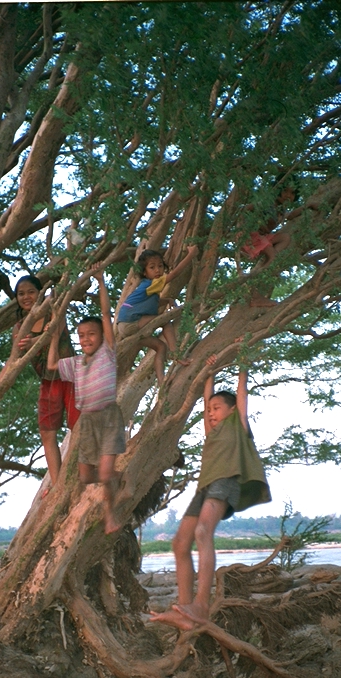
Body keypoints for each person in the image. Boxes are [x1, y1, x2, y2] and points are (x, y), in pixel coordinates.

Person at [151, 355, 271, 630]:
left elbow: (242, 390)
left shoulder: (238, 425)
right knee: (180, 543)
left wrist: (242, 357)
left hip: (225, 482)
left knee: (203, 532)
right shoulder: (211, 431)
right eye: (209, 410)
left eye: (217, 408)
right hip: (204, 488)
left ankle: (202, 605)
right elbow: (207, 394)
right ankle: (185, 609)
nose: (211, 413)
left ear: (231, 410)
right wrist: (209, 371)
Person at [47, 266, 126, 534]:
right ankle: (117, 478)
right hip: (87, 421)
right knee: (85, 476)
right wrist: (54, 332)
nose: (86, 339)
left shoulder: (108, 353)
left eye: (91, 334)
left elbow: (105, 314)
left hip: (108, 417)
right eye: (81, 336)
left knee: (102, 475)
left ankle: (110, 515)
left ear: (102, 337)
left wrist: (101, 280)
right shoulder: (77, 363)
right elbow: (50, 364)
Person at [0, 275, 80, 488]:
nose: (26, 297)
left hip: (70, 376)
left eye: (31, 292)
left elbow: (54, 330)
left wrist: (34, 341)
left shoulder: (54, 310)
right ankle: (57, 485)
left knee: (79, 427)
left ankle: (77, 476)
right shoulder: (20, 327)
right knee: (47, 432)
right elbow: (13, 359)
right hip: (48, 382)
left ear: (40, 293)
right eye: (21, 293)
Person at [116, 245, 199, 384]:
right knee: (165, 321)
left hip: (127, 326)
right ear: (144, 272)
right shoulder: (151, 283)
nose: (158, 270)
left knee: (161, 347)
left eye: (160, 266)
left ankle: (162, 381)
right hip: (130, 322)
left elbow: (152, 303)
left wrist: (166, 300)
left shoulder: (149, 288)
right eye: (152, 267)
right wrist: (191, 255)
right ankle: (176, 354)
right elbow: (174, 274)